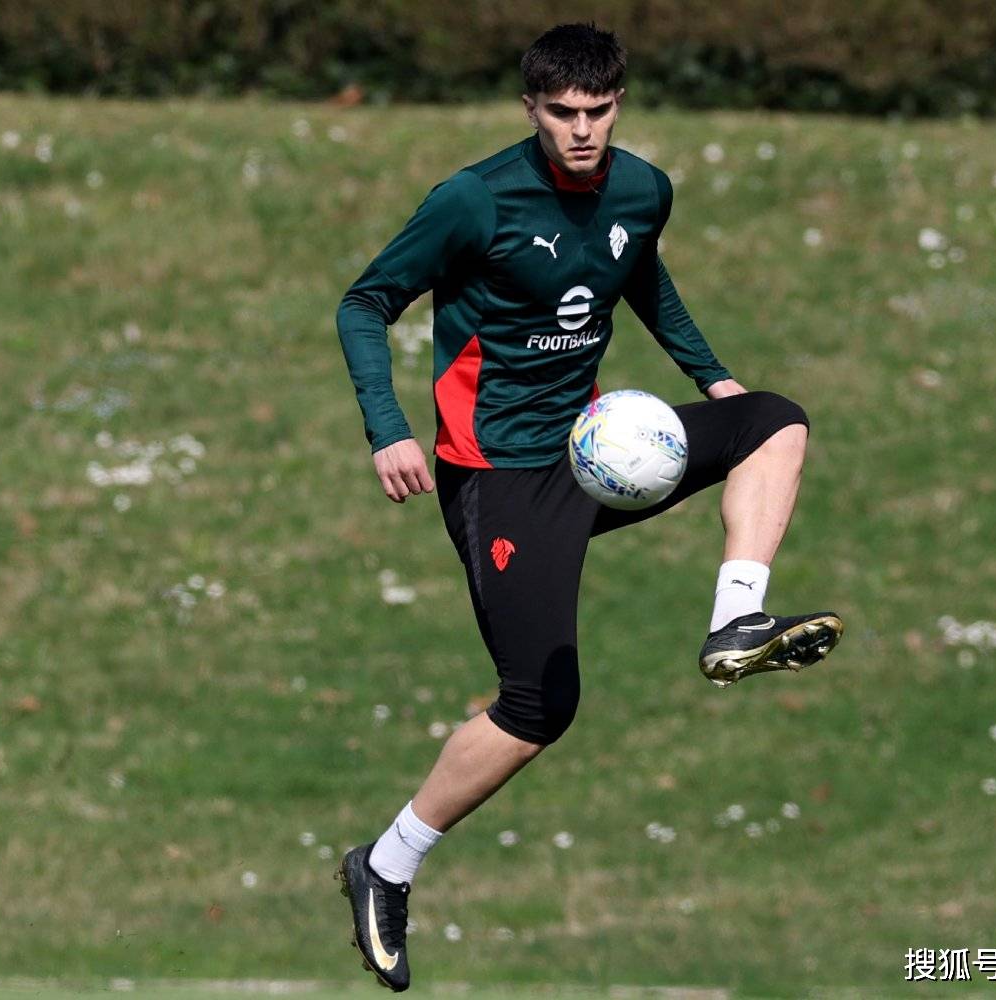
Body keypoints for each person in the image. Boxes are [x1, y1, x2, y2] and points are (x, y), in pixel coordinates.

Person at [332, 22, 843, 991]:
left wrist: (715, 380)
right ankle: (385, 866)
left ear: (618, 104)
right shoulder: (473, 199)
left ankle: (736, 619)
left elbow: (639, 275)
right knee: (539, 705)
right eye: (561, 112)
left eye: (597, 111)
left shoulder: (643, 188)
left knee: (775, 421)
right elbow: (365, 302)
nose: (580, 129)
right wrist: (385, 427)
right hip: (498, 478)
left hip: (599, 452)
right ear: (531, 108)